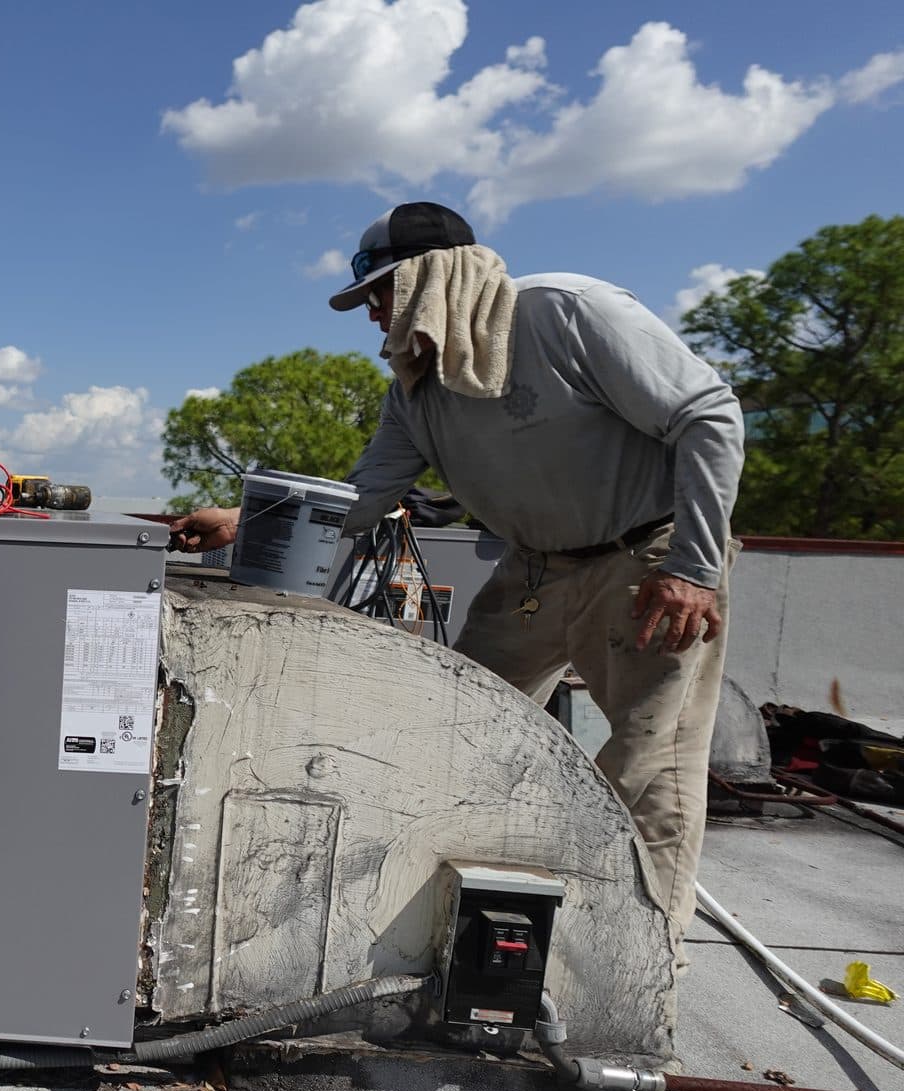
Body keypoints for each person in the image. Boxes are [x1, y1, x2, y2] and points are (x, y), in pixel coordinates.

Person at [171, 202, 745, 955]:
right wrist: (248, 521)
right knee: (461, 738)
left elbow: (708, 415)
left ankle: (635, 970)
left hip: (650, 563)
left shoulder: (566, 312)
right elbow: (369, 494)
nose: (373, 316)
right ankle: (471, 937)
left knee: (647, 772)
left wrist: (694, 568)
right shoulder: (416, 384)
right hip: (533, 570)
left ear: (434, 276)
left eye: (380, 293)